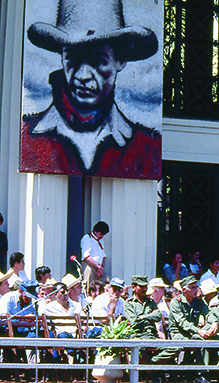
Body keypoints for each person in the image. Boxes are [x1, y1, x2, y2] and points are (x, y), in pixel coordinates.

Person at [20, 0, 161, 179]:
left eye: (98, 61)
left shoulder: (145, 148)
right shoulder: (30, 137)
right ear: (62, 58)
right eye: (72, 58)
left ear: (120, 61)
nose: (83, 75)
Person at [80, 221, 109, 289]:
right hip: (89, 265)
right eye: (101, 234)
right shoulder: (87, 238)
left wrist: (101, 268)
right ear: (95, 231)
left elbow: (103, 256)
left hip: (98, 267)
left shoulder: (101, 240)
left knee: (106, 282)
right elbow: (86, 256)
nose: (102, 236)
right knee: (88, 285)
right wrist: (98, 267)